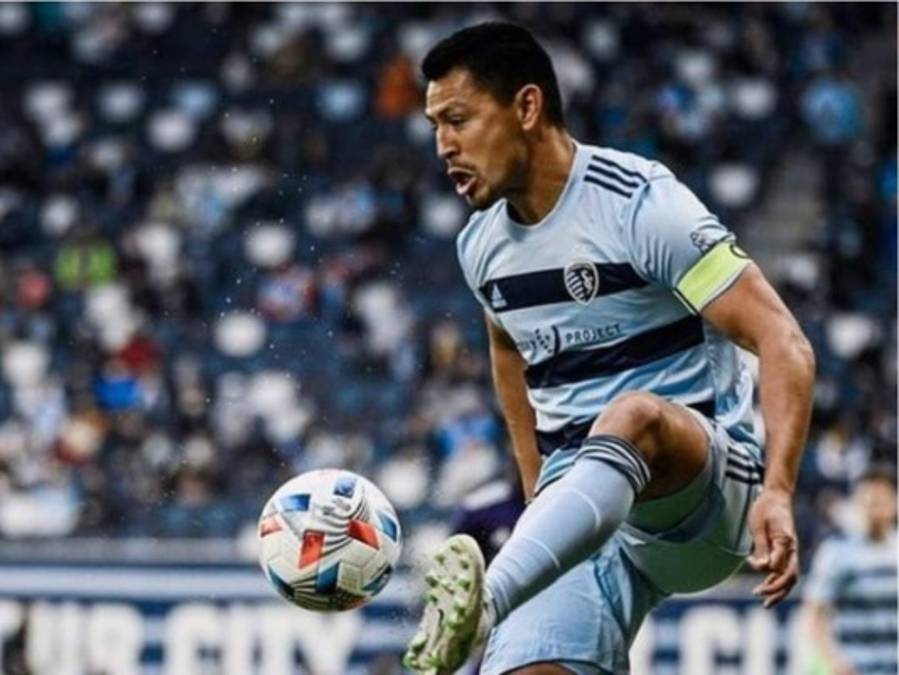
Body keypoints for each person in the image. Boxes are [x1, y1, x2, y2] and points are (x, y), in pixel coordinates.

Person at [404, 22, 816, 675]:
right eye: (434, 127)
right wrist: (538, 492)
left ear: (527, 106)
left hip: (702, 496)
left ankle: (485, 601)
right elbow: (508, 347)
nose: (443, 146)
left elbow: (781, 338)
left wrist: (779, 489)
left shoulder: (641, 206)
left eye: (457, 120)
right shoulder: (479, 246)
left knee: (633, 416)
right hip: (584, 502)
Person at [803, 468, 897, 675]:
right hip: (856, 667)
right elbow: (814, 614)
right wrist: (834, 660)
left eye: (879, 502)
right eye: (867, 502)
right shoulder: (837, 552)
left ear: (894, 504)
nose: (873, 510)